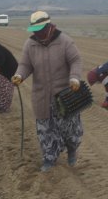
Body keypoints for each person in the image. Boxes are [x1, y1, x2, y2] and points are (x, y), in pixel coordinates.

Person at [12, 11, 83, 172]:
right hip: (42, 95)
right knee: (45, 130)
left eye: (40, 29)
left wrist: (74, 78)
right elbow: (25, 64)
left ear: (49, 26)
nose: (37, 33)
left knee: (70, 129)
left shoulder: (64, 41)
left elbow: (75, 60)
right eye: (35, 30)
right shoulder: (30, 44)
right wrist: (19, 75)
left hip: (64, 95)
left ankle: (72, 149)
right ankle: (49, 158)